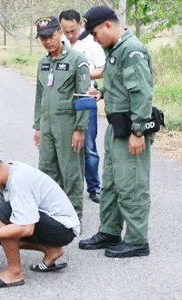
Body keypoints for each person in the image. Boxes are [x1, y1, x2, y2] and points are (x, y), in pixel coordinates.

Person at [78, 6, 154, 258]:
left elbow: (141, 93)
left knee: (131, 184)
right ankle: (109, 231)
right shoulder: (114, 50)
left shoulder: (132, 51)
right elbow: (120, 85)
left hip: (132, 128)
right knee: (110, 183)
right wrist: (101, 92)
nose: (94, 39)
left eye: (95, 33)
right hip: (116, 128)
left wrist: (138, 131)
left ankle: (136, 240)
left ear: (108, 26)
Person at [0, 151, 80, 289]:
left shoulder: (19, 181)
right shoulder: (5, 175)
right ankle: (51, 251)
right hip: (50, 223)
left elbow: (26, 227)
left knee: (4, 216)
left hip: (63, 229)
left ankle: (14, 273)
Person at [33, 16, 91, 219]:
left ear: (59, 33)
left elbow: (84, 97)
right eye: (43, 38)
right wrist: (38, 126)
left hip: (68, 125)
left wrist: (80, 129)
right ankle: (52, 215)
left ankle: (74, 216)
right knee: (47, 170)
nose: (47, 41)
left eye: (50, 36)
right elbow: (40, 96)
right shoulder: (43, 63)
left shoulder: (77, 59)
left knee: (71, 171)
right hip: (47, 125)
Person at [60, 9, 106, 203]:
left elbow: (103, 68)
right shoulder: (59, 40)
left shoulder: (91, 42)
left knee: (88, 146)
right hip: (63, 100)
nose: (69, 35)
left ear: (80, 24)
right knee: (64, 144)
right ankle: (66, 187)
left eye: (72, 30)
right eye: (66, 31)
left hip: (85, 98)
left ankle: (94, 187)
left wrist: (82, 75)